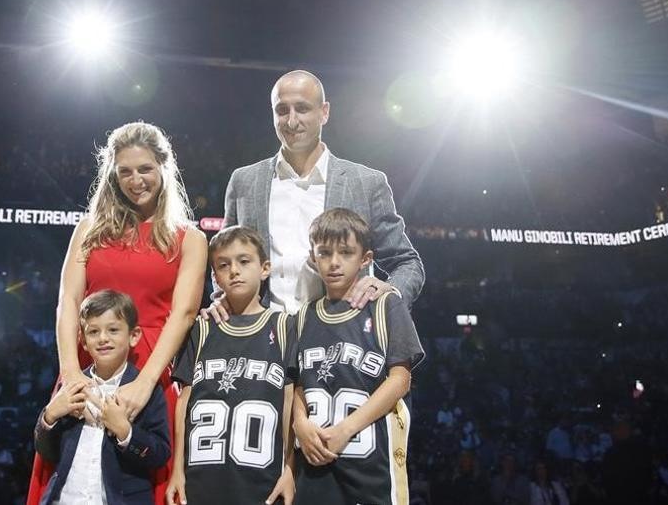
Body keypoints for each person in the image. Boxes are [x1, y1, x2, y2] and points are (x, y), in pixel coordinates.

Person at [26, 122, 207, 505]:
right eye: (125, 171)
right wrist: (70, 372)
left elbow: (185, 312)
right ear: (112, 173)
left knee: (139, 480)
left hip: (153, 369)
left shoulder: (190, 237)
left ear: (163, 168)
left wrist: (146, 383)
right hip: (87, 362)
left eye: (145, 169)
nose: (135, 180)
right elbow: (68, 302)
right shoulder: (88, 228)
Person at [220, 70, 424, 314]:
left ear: (324, 112)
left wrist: (388, 293)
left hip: (338, 337)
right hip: (263, 339)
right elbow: (224, 256)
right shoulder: (244, 181)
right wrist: (223, 300)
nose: (291, 121)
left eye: (302, 108)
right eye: (282, 110)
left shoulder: (367, 183)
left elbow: (407, 263)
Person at [292, 208, 425, 505]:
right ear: (313, 257)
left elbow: (401, 380)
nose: (334, 262)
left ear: (366, 259)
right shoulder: (302, 317)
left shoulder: (385, 303)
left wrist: (346, 429)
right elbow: (299, 382)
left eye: (346, 252)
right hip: (315, 468)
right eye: (324, 253)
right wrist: (299, 422)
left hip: (371, 468)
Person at [167, 226, 296, 505]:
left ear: (265, 268)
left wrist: (290, 468)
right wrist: (177, 469)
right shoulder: (201, 329)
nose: (234, 271)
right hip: (202, 479)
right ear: (215, 277)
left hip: (262, 482)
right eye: (224, 265)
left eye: (244, 261)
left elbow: (289, 401)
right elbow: (184, 401)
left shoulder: (285, 326)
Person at [35, 290, 171, 505]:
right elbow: (47, 453)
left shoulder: (144, 390)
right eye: (94, 332)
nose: (103, 338)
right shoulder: (71, 385)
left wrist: (125, 431)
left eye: (113, 330)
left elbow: (160, 455)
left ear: (134, 336)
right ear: (83, 341)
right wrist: (50, 416)